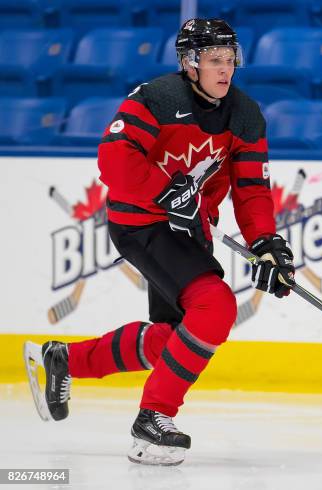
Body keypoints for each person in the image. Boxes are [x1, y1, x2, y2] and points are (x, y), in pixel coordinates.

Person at [28, 18, 295, 466]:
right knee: (216, 306)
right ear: (190, 63)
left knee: (173, 339)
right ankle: (153, 420)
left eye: (230, 60)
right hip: (141, 223)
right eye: (214, 60)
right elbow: (114, 157)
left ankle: (64, 361)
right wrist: (163, 191)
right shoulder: (158, 97)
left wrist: (266, 242)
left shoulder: (245, 115)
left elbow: (250, 190)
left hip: (190, 230)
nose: (225, 70)